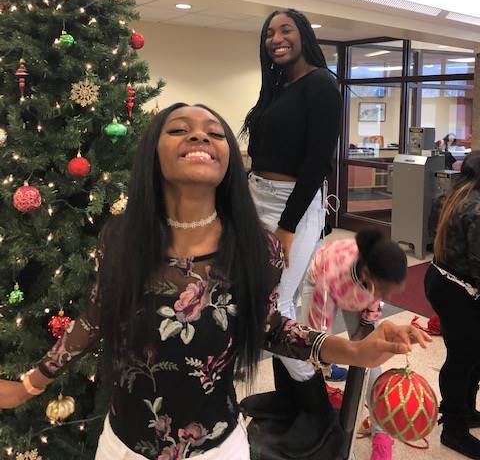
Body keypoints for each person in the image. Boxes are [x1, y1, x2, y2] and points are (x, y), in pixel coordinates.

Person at [0, 104, 429, 460]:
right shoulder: (120, 237)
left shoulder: (258, 249)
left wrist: (353, 350)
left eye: (215, 133)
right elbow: (95, 317)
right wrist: (28, 385)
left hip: (217, 448)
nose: (200, 137)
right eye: (179, 129)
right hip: (125, 446)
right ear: (153, 153)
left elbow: (272, 329)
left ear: (228, 159)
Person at [242, 8, 344, 382]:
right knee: (270, 294)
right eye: (269, 33)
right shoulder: (277, 86)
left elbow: (317, 164)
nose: (276, 38)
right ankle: (290, 396)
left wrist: (286, 226)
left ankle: (311, 388)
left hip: (294, 205)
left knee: (274, 306)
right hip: (256, 196)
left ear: (303, 35)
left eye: (286, 29)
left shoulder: (322, 85)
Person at [305, 230, 407, 460]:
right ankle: (317, 420)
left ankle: (381, 432)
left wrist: (365, 341)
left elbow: (371, 316)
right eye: (384, 291)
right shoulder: (332, 275)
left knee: (371, 361)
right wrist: (325, 362)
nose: (388, 296)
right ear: (367, 274)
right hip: (323, 283)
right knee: (307, 357)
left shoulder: (378, 275)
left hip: (358, 292)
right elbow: (317, 335)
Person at [425, 150, 480, 460]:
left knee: (470, 354)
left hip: (441, 279)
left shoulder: (453, 195)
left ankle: (466, 411)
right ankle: (454, 429)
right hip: (458, 289)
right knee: (464, 357)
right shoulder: (477, 208)